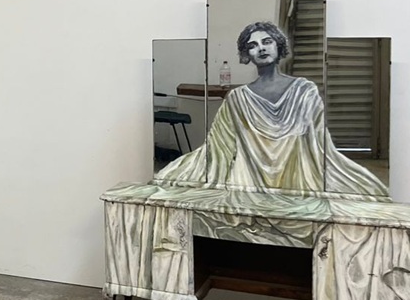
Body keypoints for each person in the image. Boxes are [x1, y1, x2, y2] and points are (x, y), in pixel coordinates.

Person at [155, 22, 388, 197]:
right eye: (253, 45)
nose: (261, 49)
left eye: (267, 42)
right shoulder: (238, 98)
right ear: (247, 55)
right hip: (248, 180)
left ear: (278, 45)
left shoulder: (304, 90)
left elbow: (317, 143)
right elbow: (218, 147)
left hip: (297, 178)